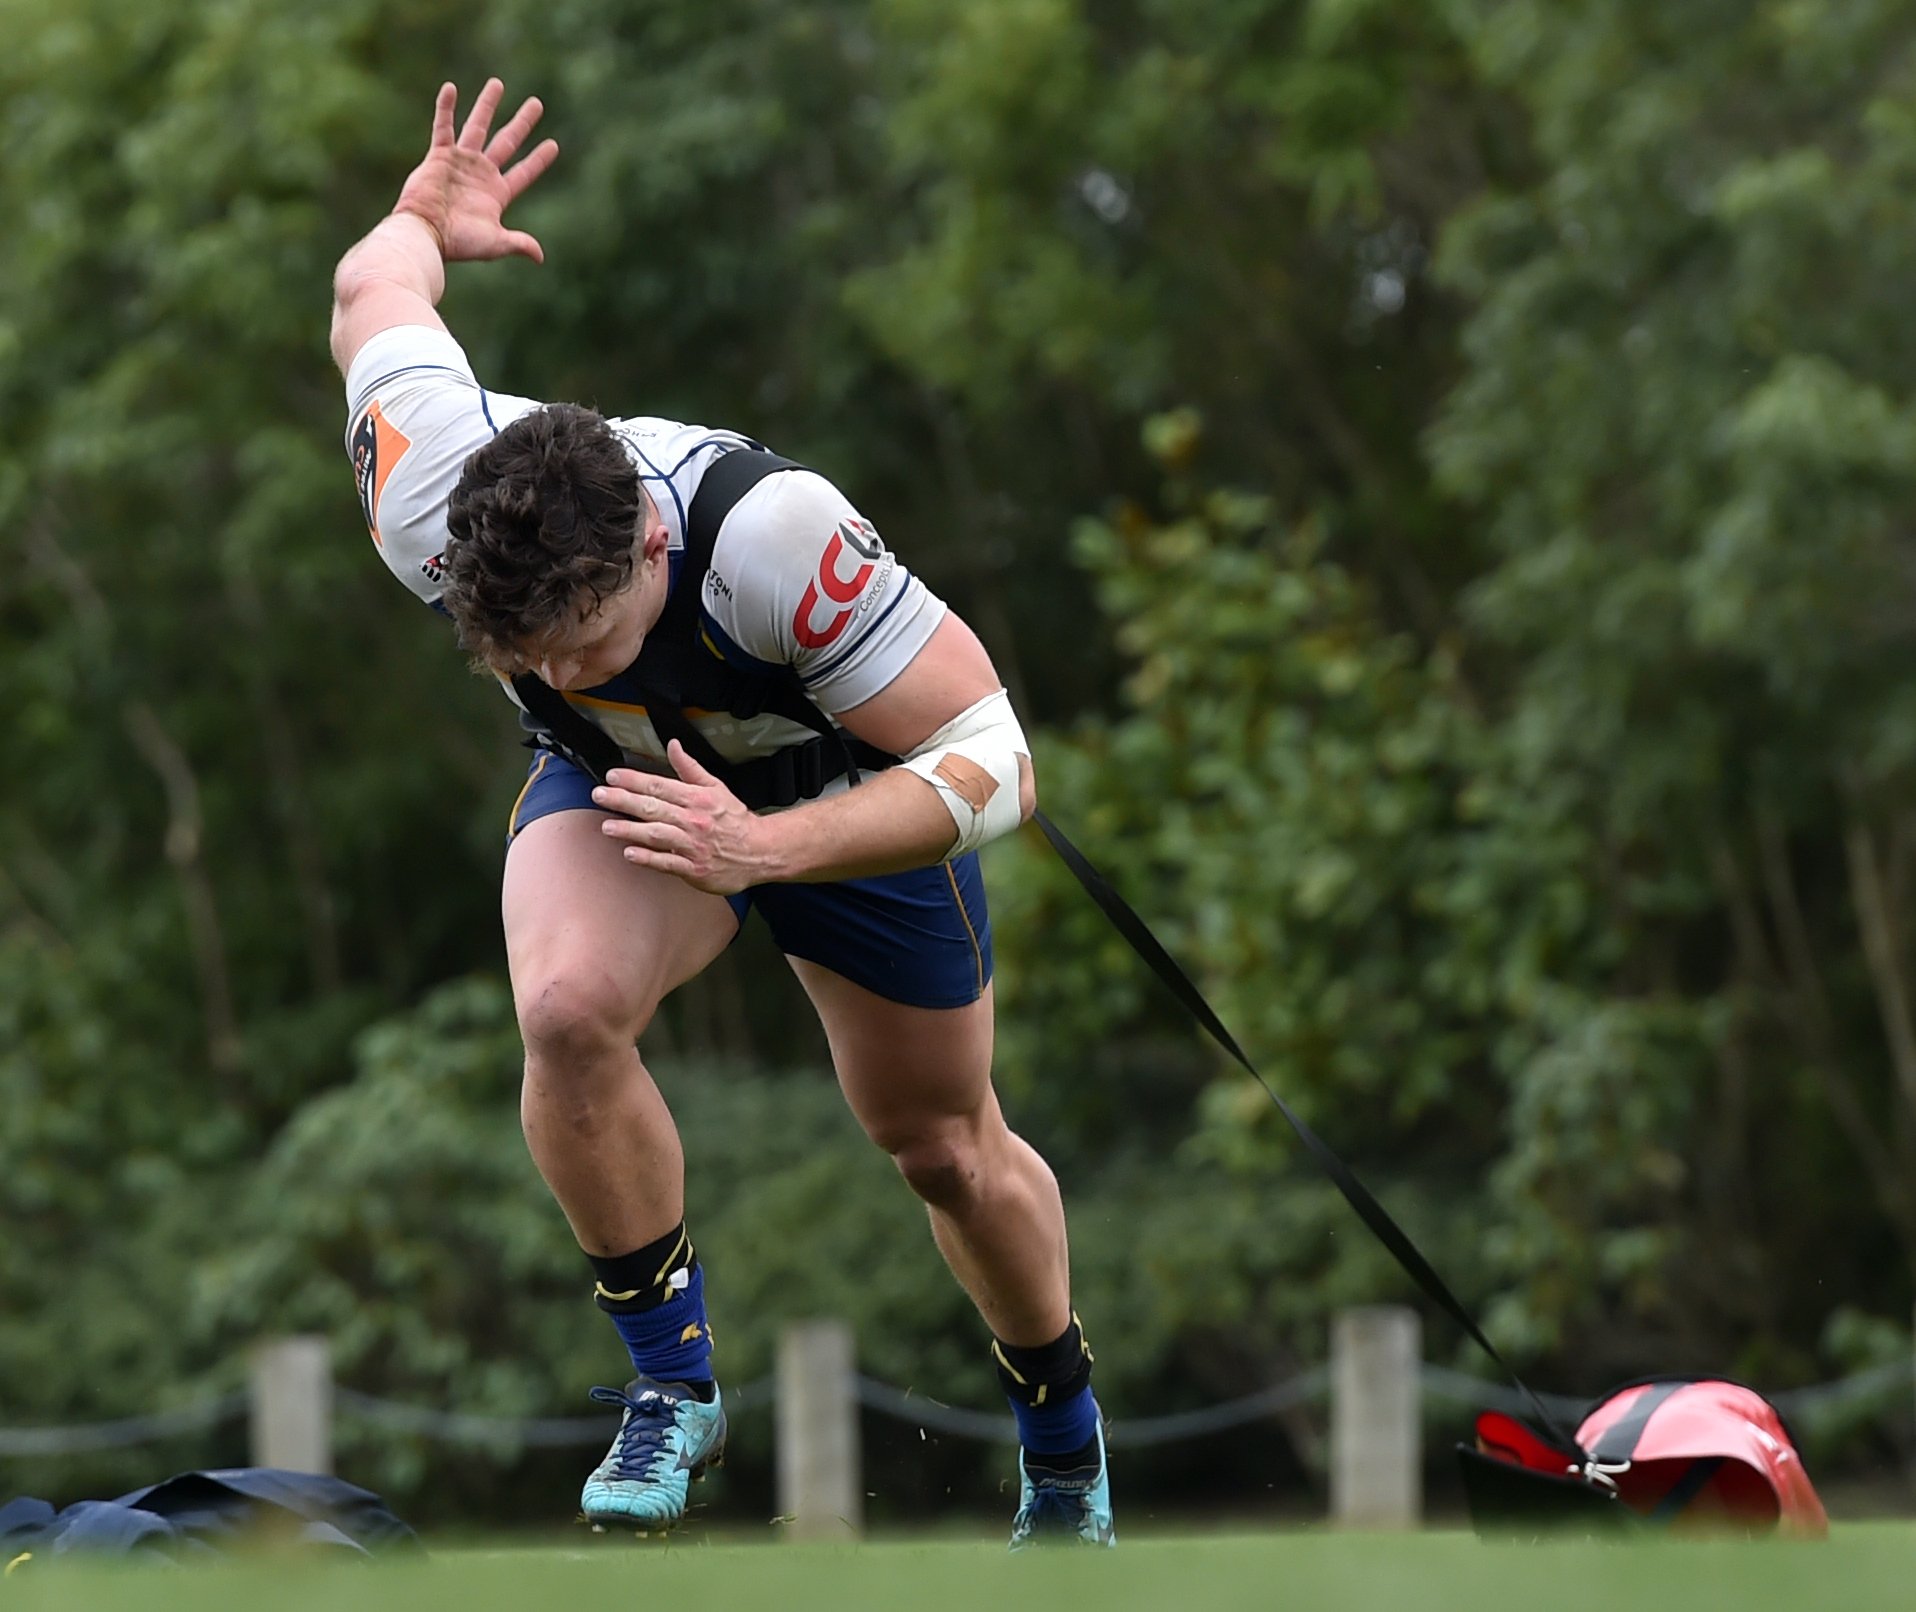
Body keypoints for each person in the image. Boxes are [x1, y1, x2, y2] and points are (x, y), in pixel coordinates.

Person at [328, 78, 1113, 1546]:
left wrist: (771, 848)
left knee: (940, 1144)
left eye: (586, 639)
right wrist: (424, 214)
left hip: (839, 792)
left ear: (645, 542)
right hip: (628, 789)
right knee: (562, 1009)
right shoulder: (423, 487)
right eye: (527, 657)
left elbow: (999, 758)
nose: (558, 672)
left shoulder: (774, 537)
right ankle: (671, 1387)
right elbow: (373, 286)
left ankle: (1062, 1439)